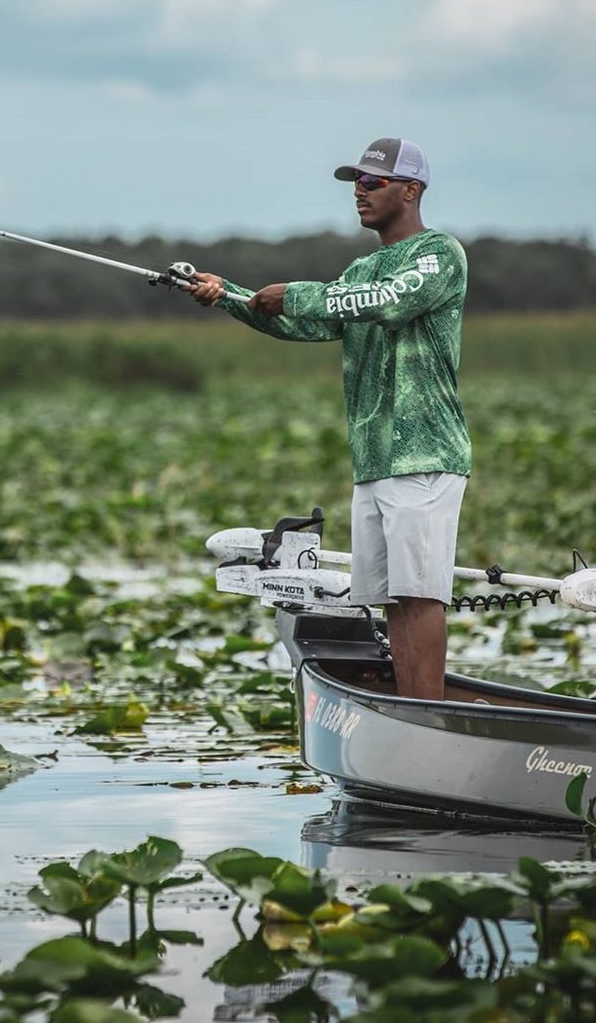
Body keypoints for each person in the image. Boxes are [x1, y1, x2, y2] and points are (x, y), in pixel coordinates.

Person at [188, 137, 470, 702]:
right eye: (355, 184)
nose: (359, 193)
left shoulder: (438, 254)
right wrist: (227, 296)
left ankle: (428, 715)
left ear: (410, 190)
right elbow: (305, 321)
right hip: (373, 460)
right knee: (391, 597)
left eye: (373, 183)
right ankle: (410, 707)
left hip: (426, 454)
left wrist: (296, 293)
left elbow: (387, 301)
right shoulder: (362, 268)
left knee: (421, 594)